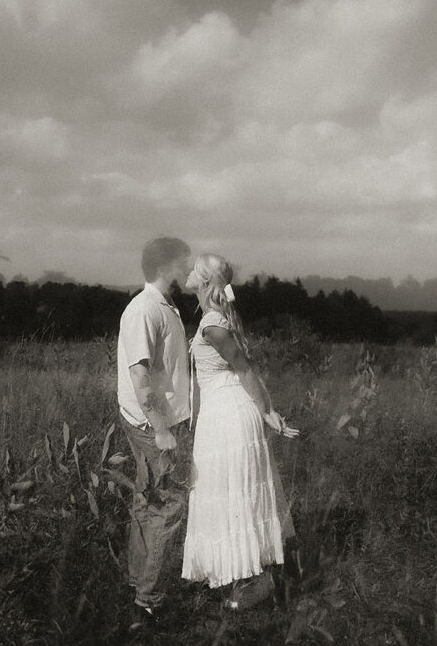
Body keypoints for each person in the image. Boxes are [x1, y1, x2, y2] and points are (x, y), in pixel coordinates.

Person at [180, 253, 298, 609]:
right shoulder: (217, 318)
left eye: (193, 269)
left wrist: (268, 411)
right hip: (222, 412)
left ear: (202, 280)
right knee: (231, 491)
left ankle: (252, 584)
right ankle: (243, 578)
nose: (187, 272)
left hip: (229, 415)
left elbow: (245, 370)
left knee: (232, 492)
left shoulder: (213, 324)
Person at [116, 237, 193, 623]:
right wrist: (162, 429)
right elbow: (141, 380)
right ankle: (149, 602)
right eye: (183, 261)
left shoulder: (163, 306)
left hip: (156, 421)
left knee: (148, 501)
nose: (188, 267)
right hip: (152, 424)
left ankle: (137, 582)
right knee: (170, 505)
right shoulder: (144, 309)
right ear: (165, 267)